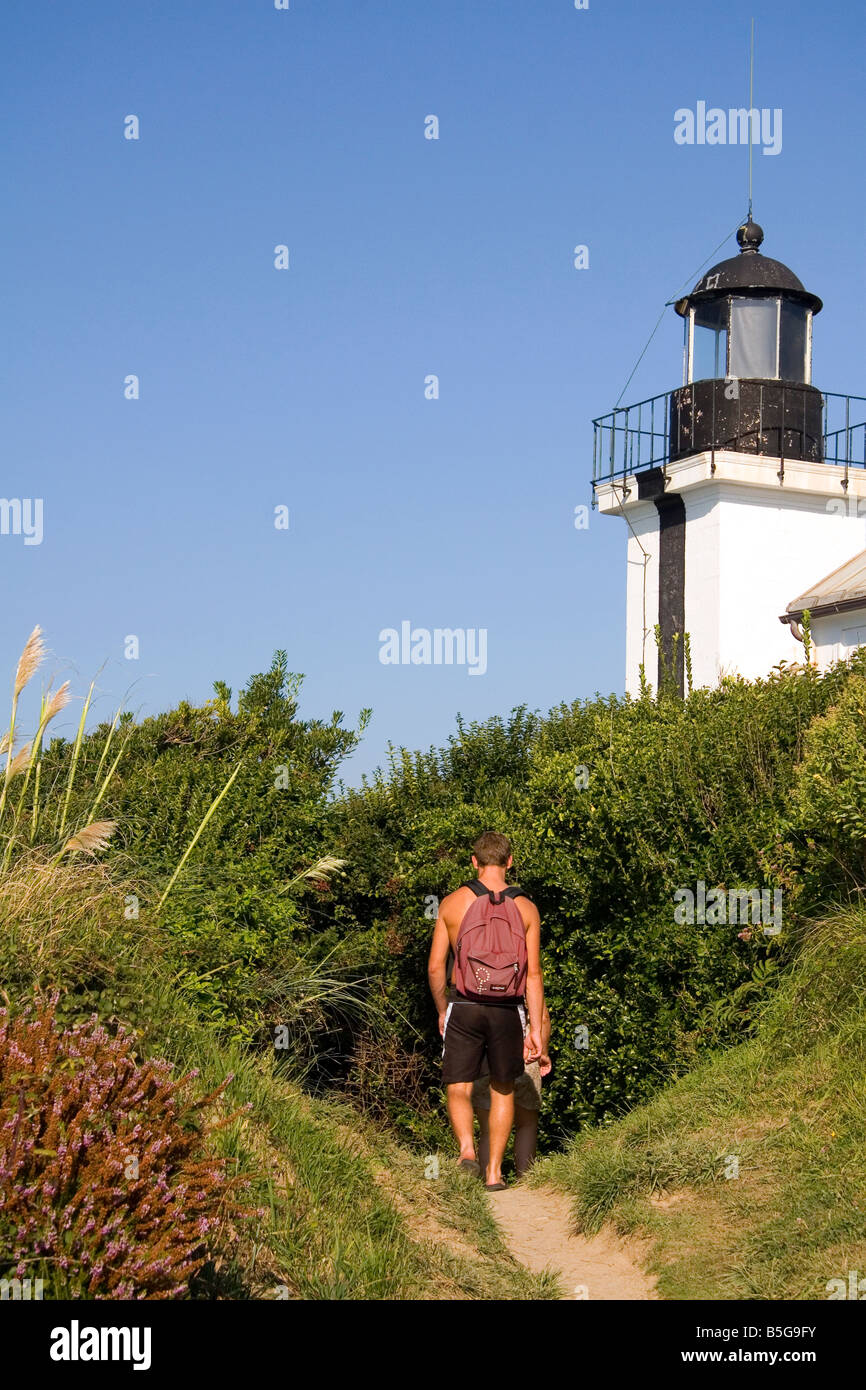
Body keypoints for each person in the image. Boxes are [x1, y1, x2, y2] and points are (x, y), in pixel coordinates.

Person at [427, 831, 545, 1191]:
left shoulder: (451, 904)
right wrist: (535, 1027)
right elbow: (533, 974)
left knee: (458, 1085)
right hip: (507, 1010)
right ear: (510, 861)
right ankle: (495, 1173)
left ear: (473, 861)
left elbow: (435, 967)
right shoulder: (527, 908)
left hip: (464, 1004)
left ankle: (466, 1152)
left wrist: (442, 1008)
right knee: (503, 1088)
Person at [472, 1003, 551, 1178]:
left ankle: (488, 1178)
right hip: (525, 1055)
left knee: (487, 1128)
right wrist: (543, 1053)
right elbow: (543, 1017)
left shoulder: (474, 979)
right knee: (526, 1124)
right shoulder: (524, 977)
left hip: (485, 1056)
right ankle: (526, 1178)